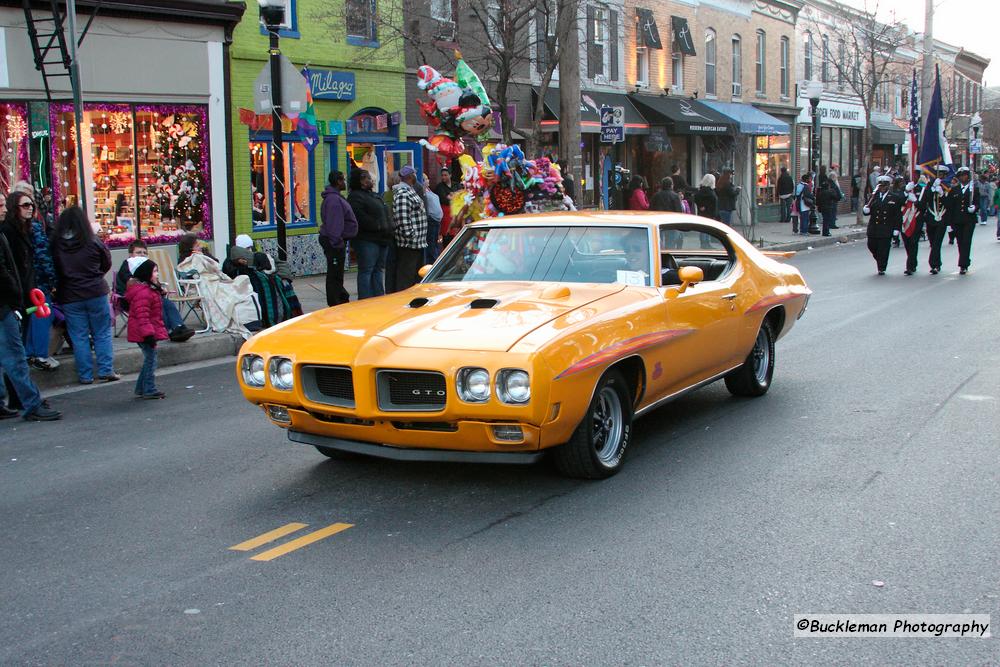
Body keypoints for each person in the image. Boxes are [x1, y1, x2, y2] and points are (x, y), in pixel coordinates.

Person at [0, 200, 61, 421]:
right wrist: (15, 296)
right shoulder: (8, 232)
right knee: (15, 356)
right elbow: (5, 273)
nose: (4, 209)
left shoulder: (10, 232)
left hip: (10, 301)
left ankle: (9, 400)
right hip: (5, 305)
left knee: (8, 356)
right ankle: (31, 403)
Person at [51, 207, 118, 385]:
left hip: (70, 294)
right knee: (101, 332)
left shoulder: (56, 245)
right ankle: (105, 369)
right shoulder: (92, 241)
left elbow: (54, 270)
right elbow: (106, 262)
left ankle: (85, 375)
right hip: (95, 291)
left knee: (78, 336)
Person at [177, 233, 259, 337]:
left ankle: (247, 320)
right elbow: (188, 272)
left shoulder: (203, 254)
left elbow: (216, 265)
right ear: (190, 248)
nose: (200, 247)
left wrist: (205, 254)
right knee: (228, 295)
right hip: (202, 284)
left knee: (242, 288)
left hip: (216, 280)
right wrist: (198, 257)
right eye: (197, 245)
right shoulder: (185, 260)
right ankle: (233, 319)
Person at [114, 240, 194, 342]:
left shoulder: (147, 266)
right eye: (138, 252)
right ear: (130, 255)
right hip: (130, 299)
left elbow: (152, 283)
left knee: (168, 303)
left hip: (146, 297)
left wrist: (160, 289)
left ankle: (179, 327)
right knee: (158, 304)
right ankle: (170, 330)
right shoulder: (127, 265)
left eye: (144, 253)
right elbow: (132, 283)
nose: (142, 255)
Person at [124, 256, 168, 399]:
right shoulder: (144, 293)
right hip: (144, 332)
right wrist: (149, 335)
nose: (157, 274)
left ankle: (142, 388)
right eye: (154, 271)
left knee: (149, 358)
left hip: (143, 331)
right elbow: (142, 316)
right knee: (151, 360)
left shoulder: (147, 290)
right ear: (145, 274)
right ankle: (149, 388)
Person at [347, 169, 392, 299]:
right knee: (367, 270)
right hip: (367, 239)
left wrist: (389, 227)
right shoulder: (355, 197)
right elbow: (360, 217)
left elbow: (384, 211)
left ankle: (378, 298)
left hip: (382, 238)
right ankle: (365, 299)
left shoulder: (374, 195)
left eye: (368, 177)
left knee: (378, 270)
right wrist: (378, 226)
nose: (368, 180)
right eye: (364, 178)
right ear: (358, 181)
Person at [319, 171, 358, 306]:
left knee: (337, 273)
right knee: (334, 273)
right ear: (338, 181)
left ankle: (340, 296)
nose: (345, 183)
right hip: (334, 242)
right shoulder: (333, 200)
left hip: (337, 241)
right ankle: (335, 301)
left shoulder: (335, 198)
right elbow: (334, 224)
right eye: (343, 180)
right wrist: (337, 243)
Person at [392, 165, 428, 291]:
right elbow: (402, 218)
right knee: (406, 275)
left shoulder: (410, 190)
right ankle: (403, 298)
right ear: (410, 176)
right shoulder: (403, 193)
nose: (416, 177)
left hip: (417, 243)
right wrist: (411, 235)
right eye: (414, 174)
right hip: (409, 244)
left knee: (415, 275)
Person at [863, 174, 905, 275]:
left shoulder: (894, 198)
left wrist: (896, 229)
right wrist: (865, 210)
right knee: (871, 246)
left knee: (884, 249)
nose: (882, 188)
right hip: (874, 227)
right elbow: (868, 210)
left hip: (886, 228)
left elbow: (897, 215)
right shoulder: (873, 197)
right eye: (880, 186)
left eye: (884, 186)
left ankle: (881, 267)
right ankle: (880, 260)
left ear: (888, 186)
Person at [947, 166, 979, 274]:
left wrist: (974, 208)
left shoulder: (973, 189)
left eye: (965, 175)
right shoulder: (954, 190)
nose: (963, 177)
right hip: (957, 220)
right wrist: (949, 223)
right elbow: (950, 207)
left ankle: (963, 265)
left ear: (968, 176)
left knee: (966, 242)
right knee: (960, 242)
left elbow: (977, 202)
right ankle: (965, 260)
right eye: (960, 176)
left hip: (969, 220)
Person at [901, 177, 925, 275]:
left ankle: (910, 266)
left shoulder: (923, 189)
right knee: (907, 244)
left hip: (917, 219)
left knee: (913, 242)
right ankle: (913, 262)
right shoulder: (903, 190)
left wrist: (916, 201)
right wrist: (906, 192)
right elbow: (898, 201)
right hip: (904, 221)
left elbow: (924, 207)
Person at [421, 173, 443, 264]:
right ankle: (432, 263)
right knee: (431, 245)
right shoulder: (423, 192)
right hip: (431, 220)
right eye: (426, 179)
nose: (428, 180)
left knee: (434, 243)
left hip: (436, 221)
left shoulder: (429, 190)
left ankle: (434, 261)